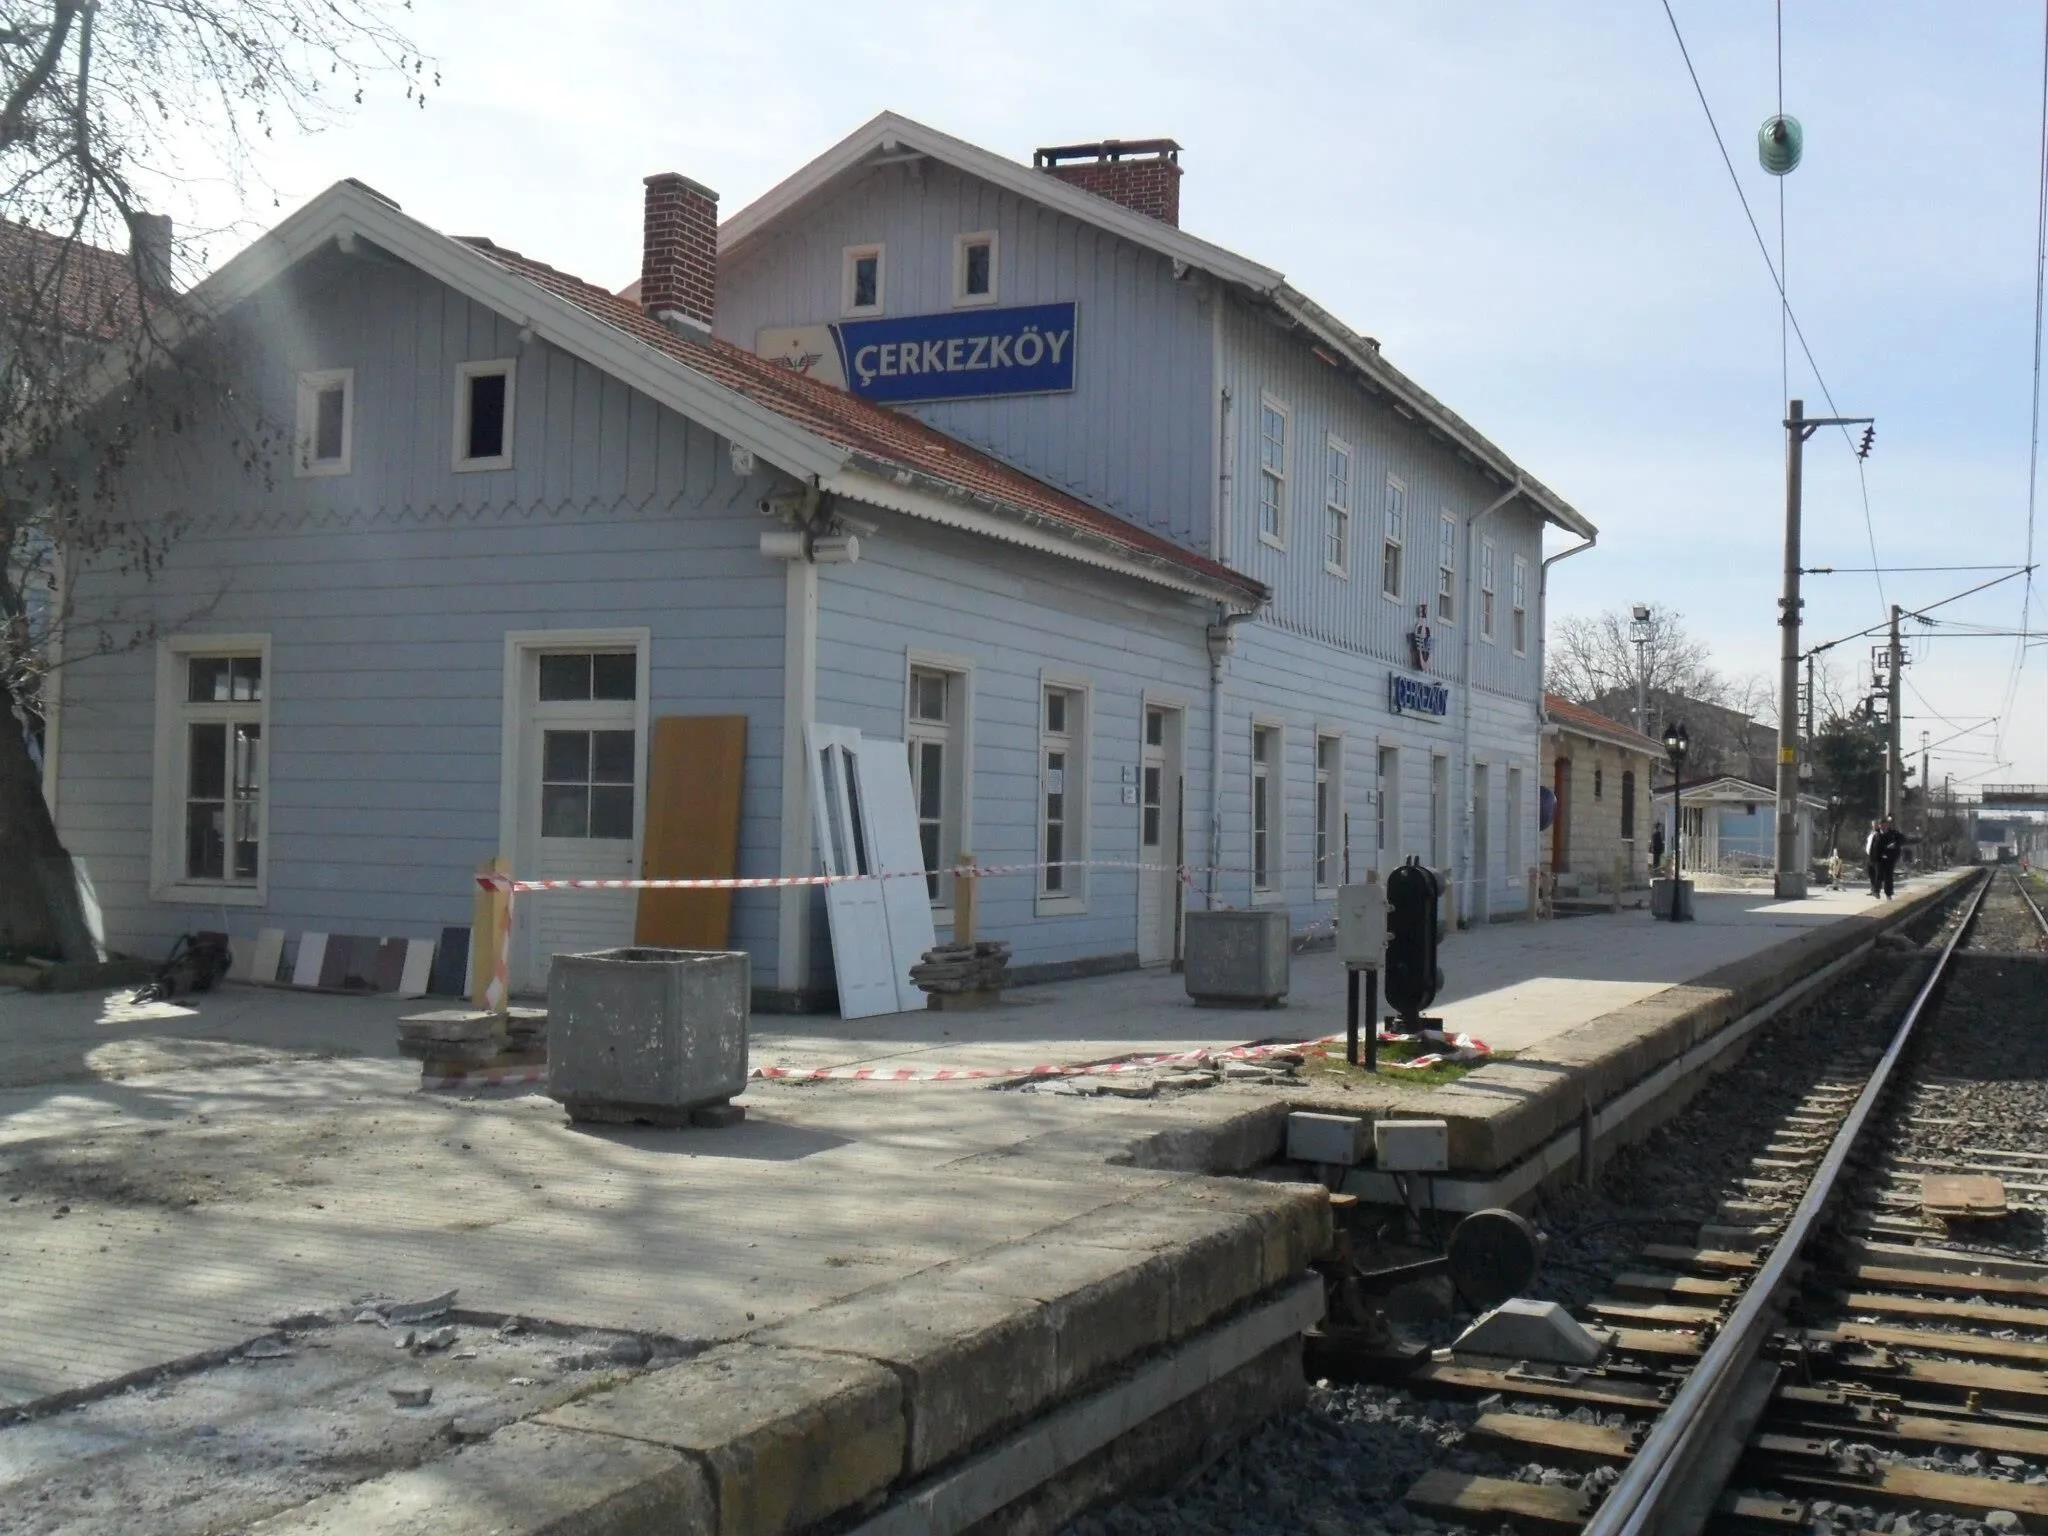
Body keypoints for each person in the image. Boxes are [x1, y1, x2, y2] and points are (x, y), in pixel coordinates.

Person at [1871, 816, 1906, 899]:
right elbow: (1873, 849)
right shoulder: (1876, 835)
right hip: (1879, 858)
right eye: (1881, 825)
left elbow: (1903, 839)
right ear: (1879, 826)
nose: (1883, 826)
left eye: (1885, 825)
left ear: (1887, 825)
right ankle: (1876, 891)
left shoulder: (1893, 834)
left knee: (1888, 876)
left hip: (1890, 858)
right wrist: (1872, 860)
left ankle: (1888, 894)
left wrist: (1895, 844)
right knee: (1879, 875)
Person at [1864, 818, 1883, 897]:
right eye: (1872, 824)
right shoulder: (1872, 833)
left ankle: (1877, 891)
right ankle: (1873, 889)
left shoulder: (1880, 833)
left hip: (1877, 857)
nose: (1873, 826)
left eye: (1875, 824)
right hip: (1870, 856)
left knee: (1877, 874)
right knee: (1871, 873)